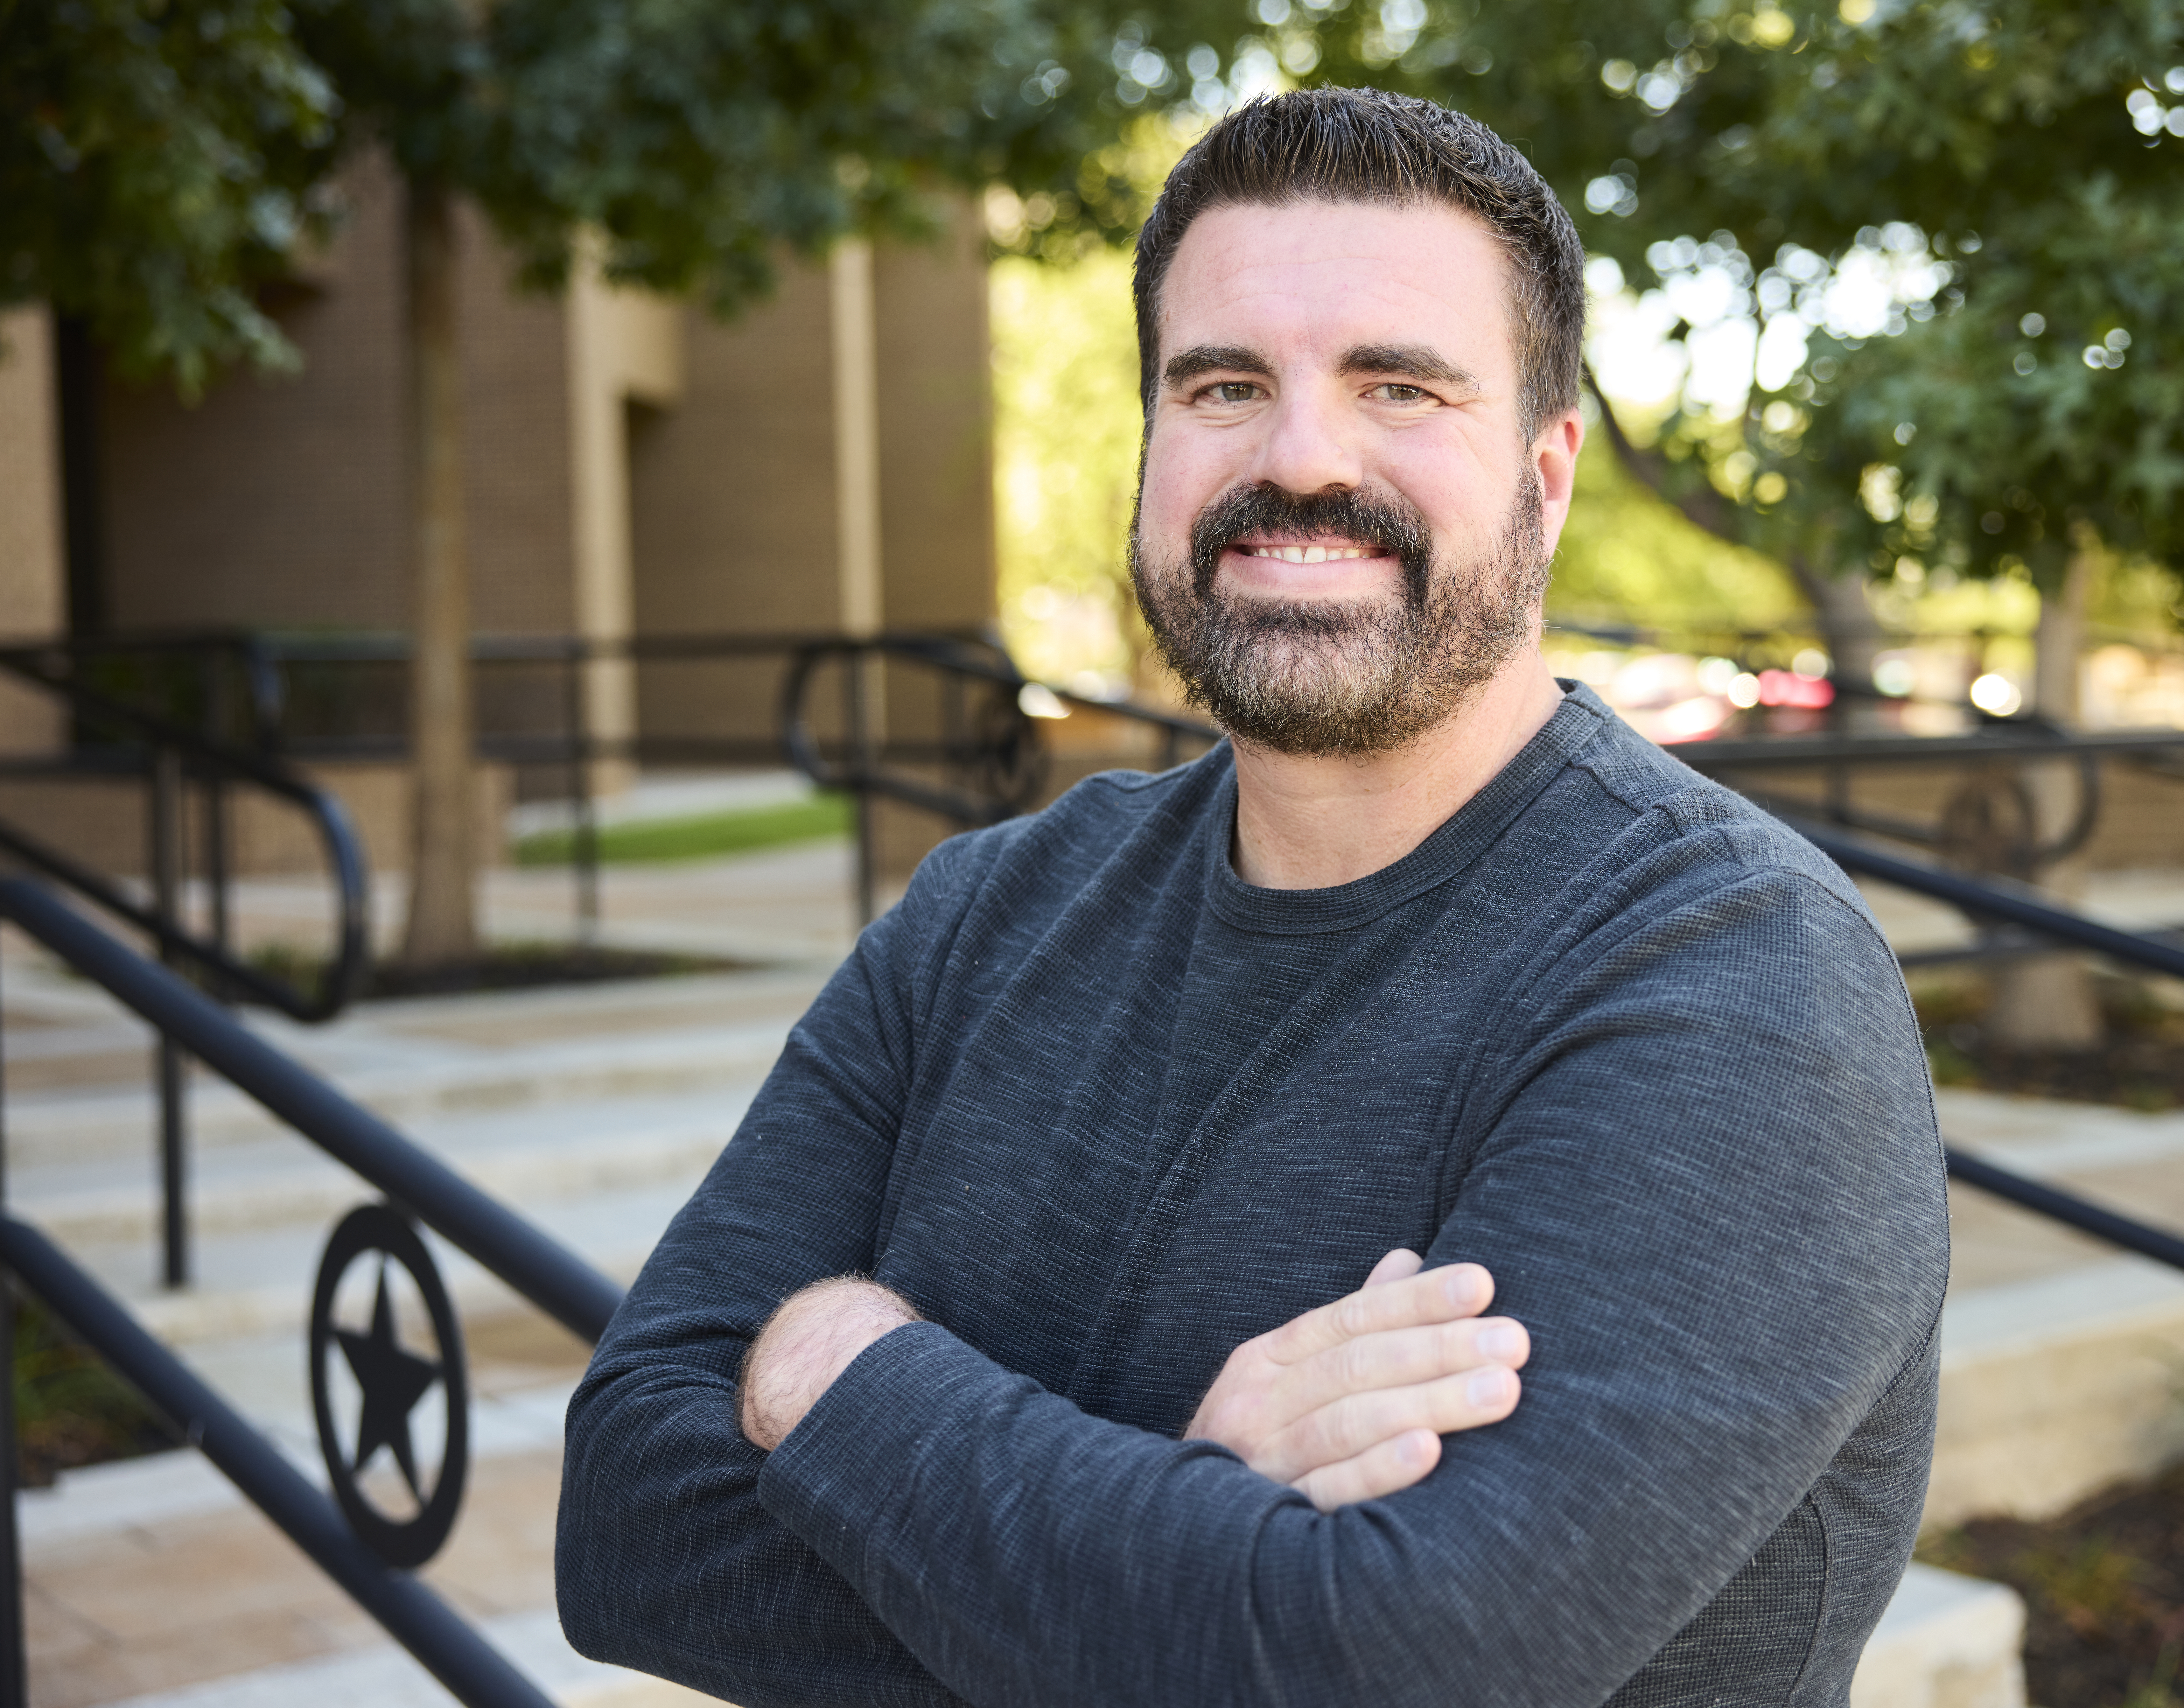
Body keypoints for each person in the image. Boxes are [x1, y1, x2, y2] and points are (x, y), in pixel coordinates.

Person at [557, 87, 1947, 1707]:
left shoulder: (1733, 980)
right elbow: (624, 1524)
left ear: (1545, 474)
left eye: (1401, 387)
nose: (1299, 460)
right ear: (1150, 445)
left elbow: (1373, 1669)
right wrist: (1193, 1493)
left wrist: (837, 1367)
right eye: (1223, 385)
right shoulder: (982, 915)